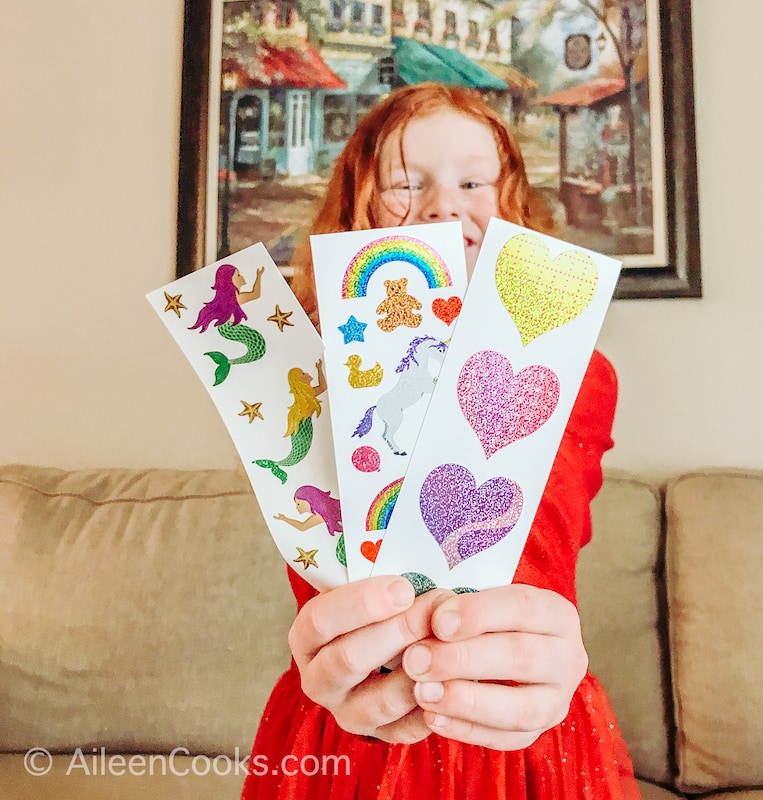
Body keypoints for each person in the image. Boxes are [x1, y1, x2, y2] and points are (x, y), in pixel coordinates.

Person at [241, 82, 639, 799]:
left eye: (473, 181)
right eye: (405, 183)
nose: (443, 205)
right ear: (357, 209)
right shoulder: (305, 374)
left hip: (525, 721)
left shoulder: (580, 375)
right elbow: (322, 567)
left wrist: (537, 652)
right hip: (353, 721)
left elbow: (544, 562)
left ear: (510, 204)